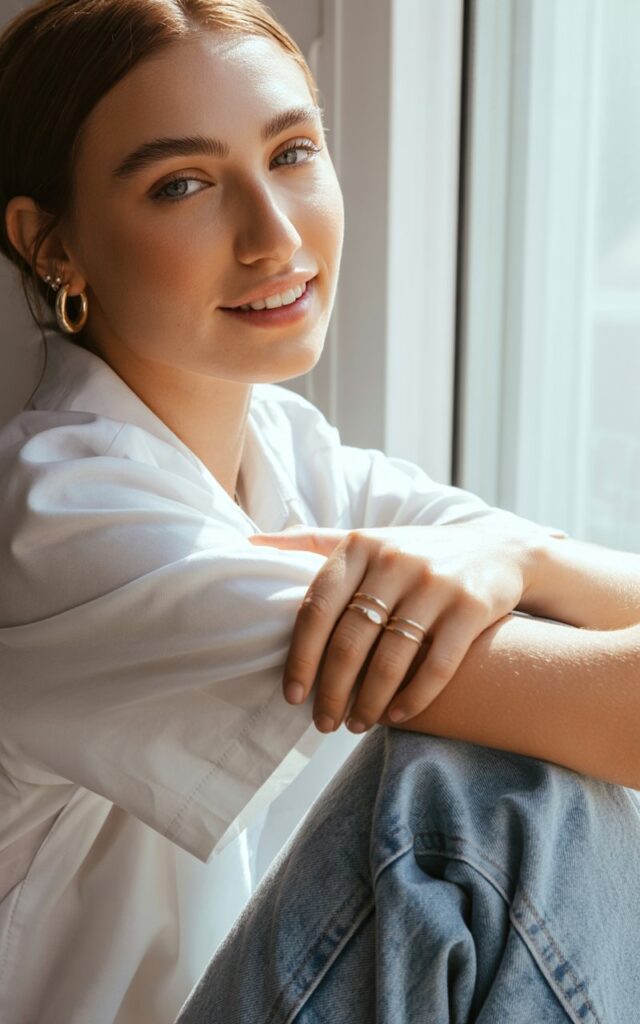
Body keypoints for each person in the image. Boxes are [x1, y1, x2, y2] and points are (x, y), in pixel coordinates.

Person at [0, 1, 638, 1022]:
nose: (275, 234)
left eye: (292, 151)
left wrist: (519, 555)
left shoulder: (288, 454)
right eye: (183, 184)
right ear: (51, 245)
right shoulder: (64, 522)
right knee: (483, 795)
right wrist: (515, 560)